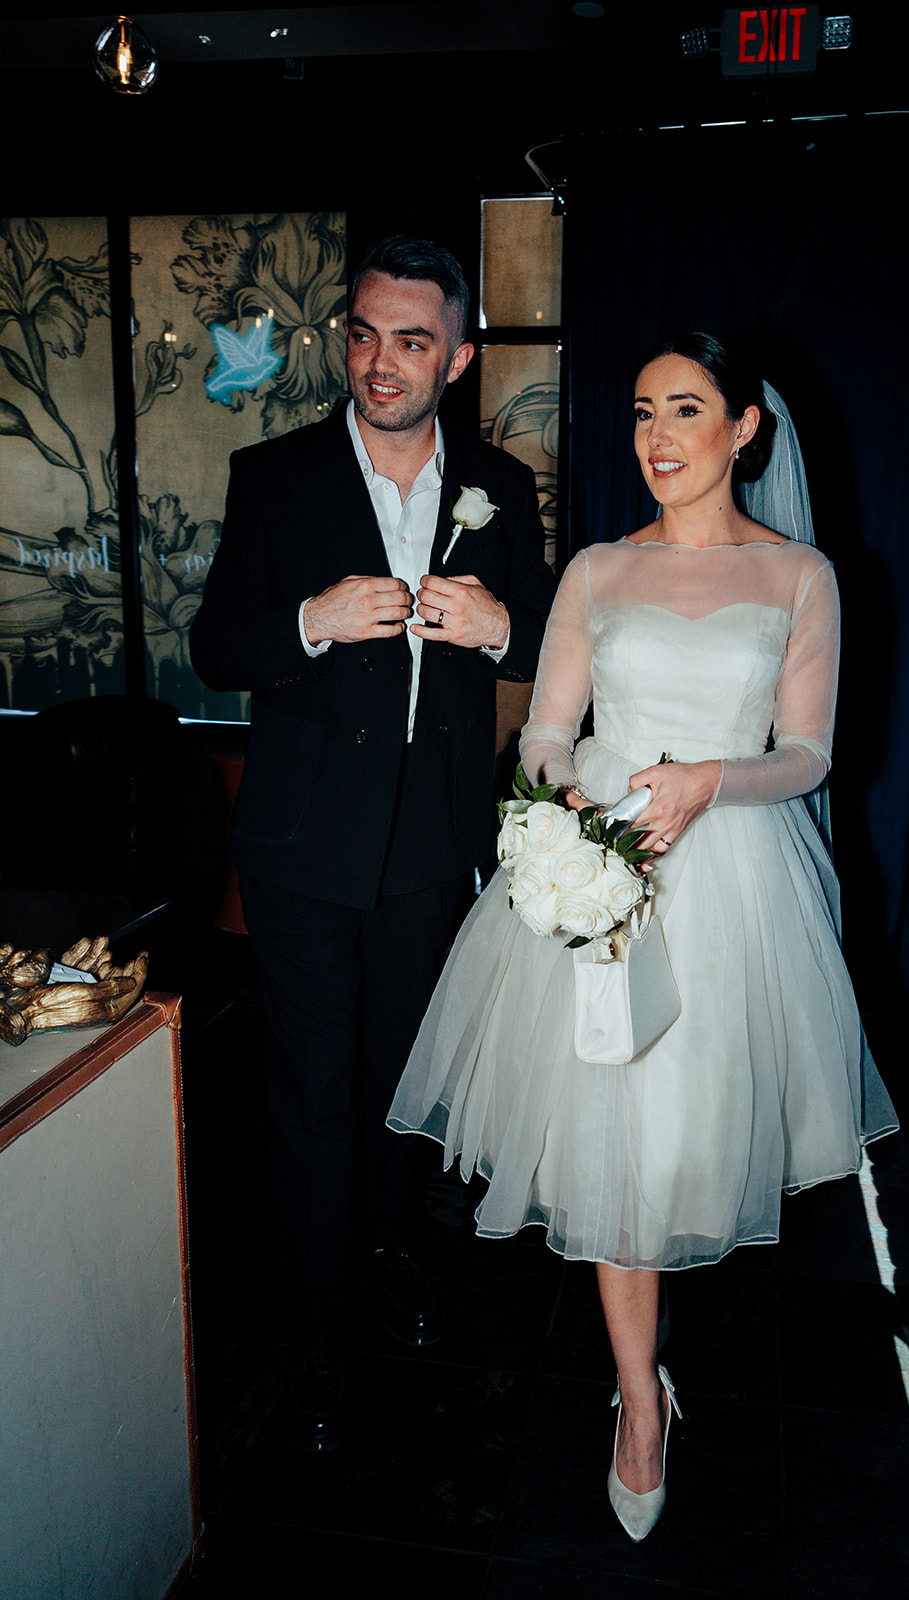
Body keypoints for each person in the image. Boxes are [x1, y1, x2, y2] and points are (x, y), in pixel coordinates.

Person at [387, 332, 898, 1538]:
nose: (656, 437)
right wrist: (569, 801)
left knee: (681, 1144)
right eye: (639, 412)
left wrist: (710, 778)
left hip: (728, 884)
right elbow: (548, 731)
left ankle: (647, 1372)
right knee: (608, 1150)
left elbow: (811, 755)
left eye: (685, 410)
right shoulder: (599, 571)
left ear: (743, 430)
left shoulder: (799, 576)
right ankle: (635, 1402)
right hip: (599, 874)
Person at [189, 235, 556, 1451]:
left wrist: (505, 624)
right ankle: (313, 1330)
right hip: (298, 849)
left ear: (455, 356)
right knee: (309, 1092)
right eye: (362, 333)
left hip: (430, 847)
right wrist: (307, 619)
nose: (379, 361)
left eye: (409, 340)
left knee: (405, 1082)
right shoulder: (274, 476)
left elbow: (560, 646)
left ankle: (393, 1253)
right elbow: (215, 645)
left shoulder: (499, 487)